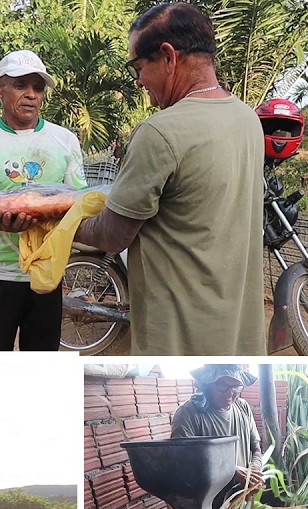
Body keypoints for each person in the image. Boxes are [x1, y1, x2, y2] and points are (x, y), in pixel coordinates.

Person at [73, 3, 265, 355]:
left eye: (138, 67)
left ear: (167, 56)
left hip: (180, 340)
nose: (139, 81)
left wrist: (60, 222)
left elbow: (112, 236)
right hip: (238, 335)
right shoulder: (247, 119)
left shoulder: (161, 132)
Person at [0, 50, 87, 351]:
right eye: (20, 85)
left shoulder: (64, 140)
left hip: (45, 275)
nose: (31, 95)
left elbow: (79, 200)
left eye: (38, 87)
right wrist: (21, 215)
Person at [171, 364, 264, 509]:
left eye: (236, 387)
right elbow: (183, 463)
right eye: (222, 386)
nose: (229, 394)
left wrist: (255, 470)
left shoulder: (243, 407)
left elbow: (256, 447)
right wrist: (232, 471)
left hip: (241, 505)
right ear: (207, 383)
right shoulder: (188, 413)